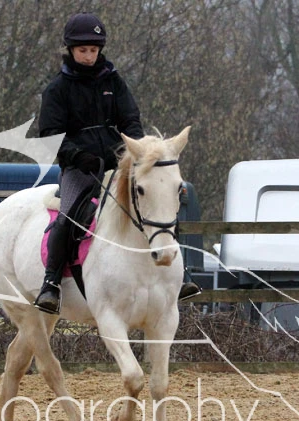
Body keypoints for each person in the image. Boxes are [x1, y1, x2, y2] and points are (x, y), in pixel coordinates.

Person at [34, 12, 201, 314]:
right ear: (71, 49)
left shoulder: (114, 81)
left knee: (156, 203)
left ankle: (180, 274)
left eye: (93, 50)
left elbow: (131, 120)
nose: (88, 56)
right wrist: (76, 156)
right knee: (67, 216)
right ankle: (51, 283)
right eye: (83, 50)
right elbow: (50, 135)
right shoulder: (57, 89)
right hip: (80, 168)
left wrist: (135, 151)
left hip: (118, 163)